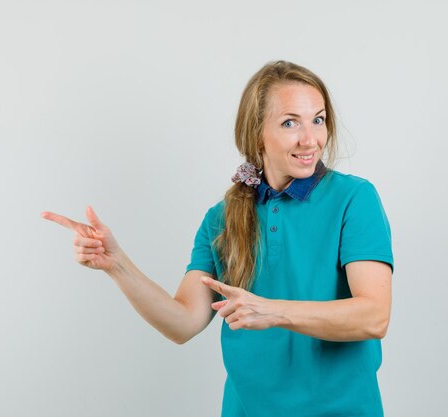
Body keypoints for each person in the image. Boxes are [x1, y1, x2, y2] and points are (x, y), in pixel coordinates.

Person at [42, 60, 394, 417]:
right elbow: (183, 322)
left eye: (318, 120)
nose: (310, 139)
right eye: (290, 122)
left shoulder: (355, 199)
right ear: (257, 133)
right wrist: (116, 265)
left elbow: (373, 316)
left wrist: (271, 310)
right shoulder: (222, 218)